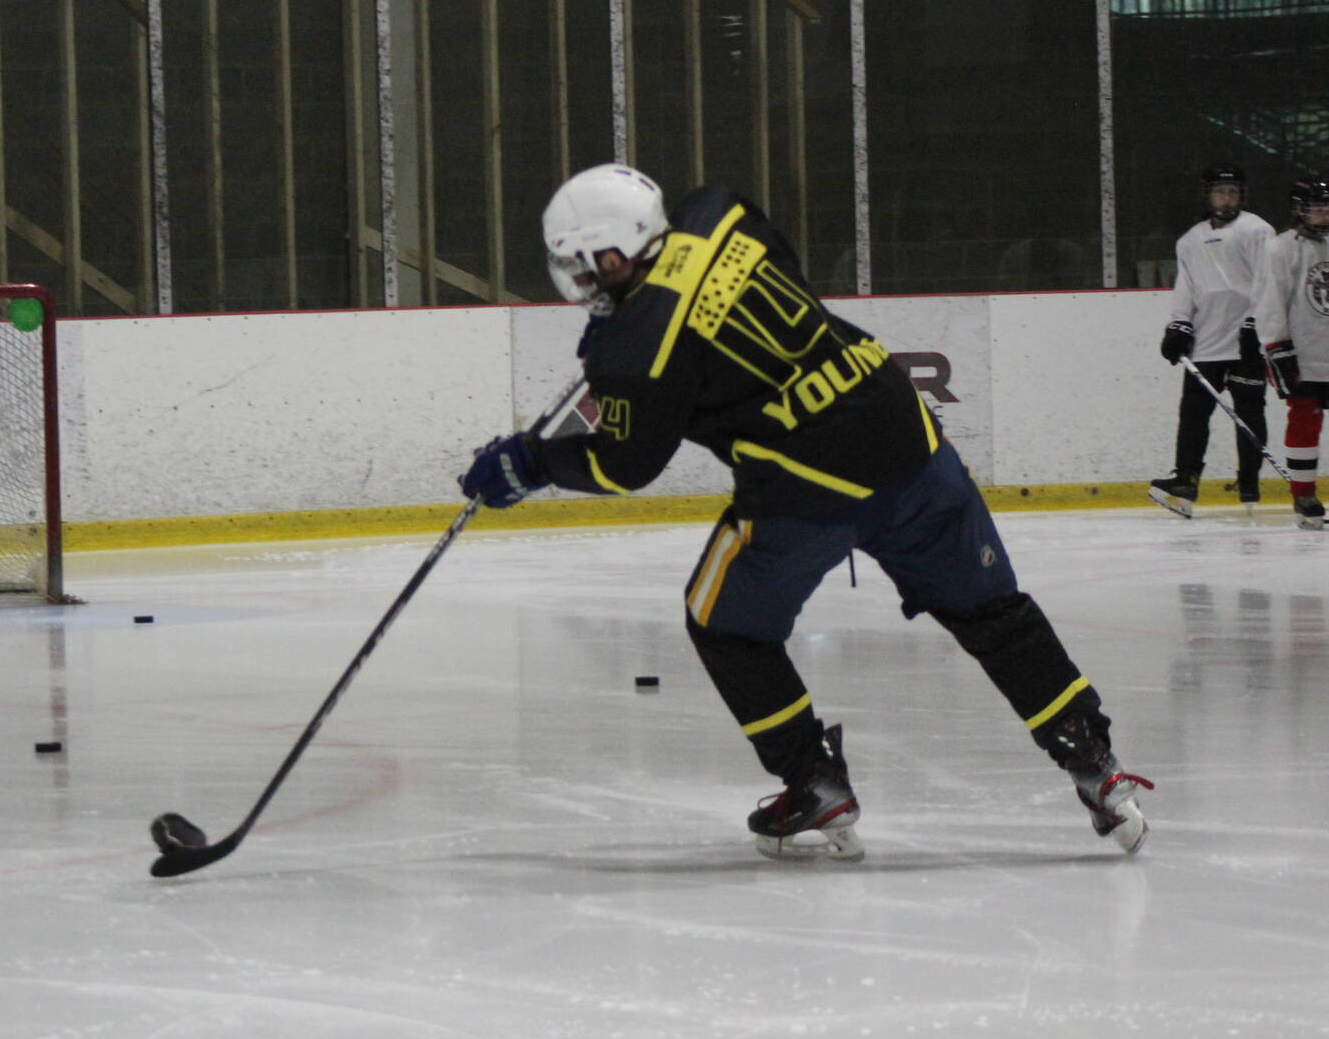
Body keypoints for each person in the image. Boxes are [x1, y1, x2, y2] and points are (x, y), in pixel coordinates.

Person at [457, 164, 1149, 861]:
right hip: (904, 435)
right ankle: (1094, 759)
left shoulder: (634, 348)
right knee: (992, 611)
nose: (579, 282)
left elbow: (624, 464)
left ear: (612, 253)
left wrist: (533, 462)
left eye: (583, 267)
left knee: (722, 624)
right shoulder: (719, 211)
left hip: (806, 488)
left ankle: (813, 778)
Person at [1148, 165, 1274, 518]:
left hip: (1246, 342)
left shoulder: (1257, 230)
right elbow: (1185, 289)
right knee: (1192, 415)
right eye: (1221, 191)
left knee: (1249, 414)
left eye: (1234, 191)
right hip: (1205, 344)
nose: (1228, 197)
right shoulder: (1189, 240)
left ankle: (1249, 479)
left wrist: (1255, 324)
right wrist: (1179, 325)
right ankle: (1186, 479)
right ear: (1208, 195)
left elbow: (1269, 282)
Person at [1253, 175, 1329, 530]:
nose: (1323, 214)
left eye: (1327, 207)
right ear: (1299, 211)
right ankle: (1303, 492)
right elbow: (1270, 301)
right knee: (1304, 420)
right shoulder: (1281, 248)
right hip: (1304, 353)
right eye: (1315, 208)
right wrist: (1276, 346)